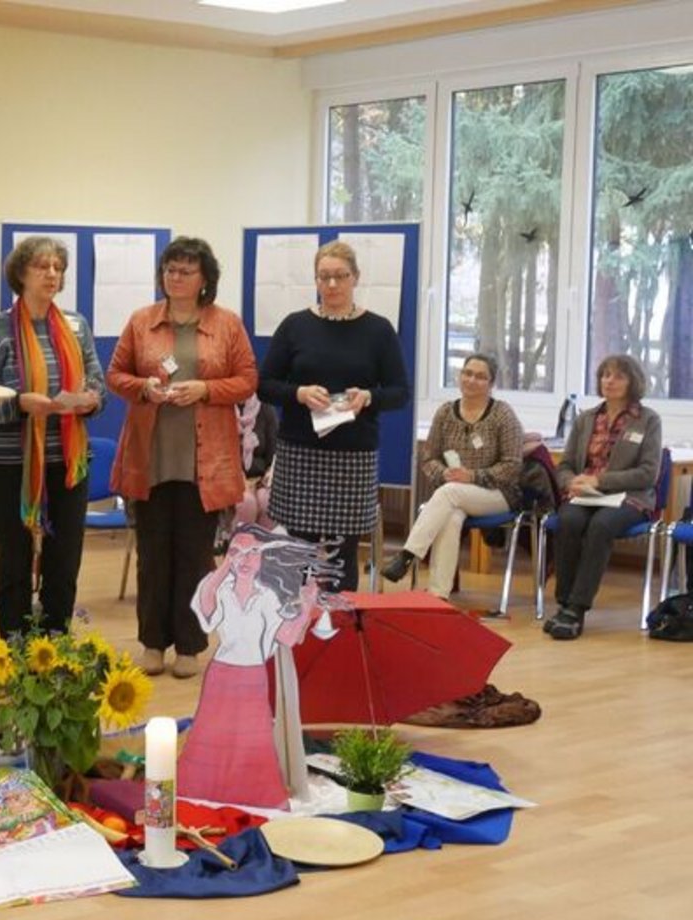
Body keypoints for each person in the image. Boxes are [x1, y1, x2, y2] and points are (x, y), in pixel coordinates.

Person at [107, 237, 257, 679]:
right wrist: (144, 388)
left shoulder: (227, 323)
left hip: (204, 464)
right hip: (150, 459)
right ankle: (153, 643)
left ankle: (190, 646)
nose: (175, 277)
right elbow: (115, 374)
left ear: (204, 278)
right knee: (153, 556)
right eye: (170, 269)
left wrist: (206, 389)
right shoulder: (142, 321)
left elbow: (248, 379)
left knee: (194, 556)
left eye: (186, 271)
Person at [258, 240, 410, 591]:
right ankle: (298, 621)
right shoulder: (295, 325)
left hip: (352, 455)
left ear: (356, 277)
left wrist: (368, 397)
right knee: (298, 548)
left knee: (342, 552)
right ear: (315, 280)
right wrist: (299, 393)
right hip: (301, 452)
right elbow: (264, 385)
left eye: (340, 276)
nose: (331, 284)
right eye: (323, 276)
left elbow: (400, 392)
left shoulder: (379, 330)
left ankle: (339, 618)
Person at [0, 236, 106, 639]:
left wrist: (88, 401)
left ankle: (54, 647)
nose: (51, 274)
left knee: (64, 561)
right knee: (14, 560)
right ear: (20, 274)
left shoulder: (77, 326)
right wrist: (21, 404)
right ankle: (15, 651)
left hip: (67, 461)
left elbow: (97, 384)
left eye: (58, 268)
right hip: (9, 463)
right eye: (42, 267)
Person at [178, 525, 344, 808]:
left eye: (253, 552)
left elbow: (286, 637)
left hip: (253, 677)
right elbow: (205, 601)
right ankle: (204, 787)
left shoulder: (267, 597)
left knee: (254, 737)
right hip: (222, 674)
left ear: (262, 558)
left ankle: (253, 790)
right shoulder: (220, 590)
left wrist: (306, 606)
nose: (244, 559)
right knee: (212, 734)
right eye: (236, 552)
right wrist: (225, 566)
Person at [380, 352, 524, 598]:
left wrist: (473, 476)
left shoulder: (503, 414)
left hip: (497, 494)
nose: (472, 380)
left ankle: (407, 555)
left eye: (480, 377)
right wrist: (443, 472)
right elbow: (428, 458)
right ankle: (439, 595)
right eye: (467, 373)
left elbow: (512, 466)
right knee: (451, 517)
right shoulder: (446, 413)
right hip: (454, 494)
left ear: (491, 383)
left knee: (449, 493)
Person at [545, 354, 662, 640]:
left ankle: (577, 608)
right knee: (569, 520)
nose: (609, 381)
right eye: (605, 375)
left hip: (628, 498)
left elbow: (648, 473)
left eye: (618, 376)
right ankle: (564, 603)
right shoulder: (586, 418)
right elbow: (565, 465)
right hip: (585, 495)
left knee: (601, 526)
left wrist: (600, 480)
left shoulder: (648, 420)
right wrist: (571, 481)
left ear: (633, 382)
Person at [234, 395, 278, 530]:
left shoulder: (266, 408)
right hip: (230, 477)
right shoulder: (222, 407)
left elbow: (273, 454)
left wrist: (266, 477)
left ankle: (262, 543)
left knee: (267, 501)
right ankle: (239, 542)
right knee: (246, 502)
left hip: (259, 479)